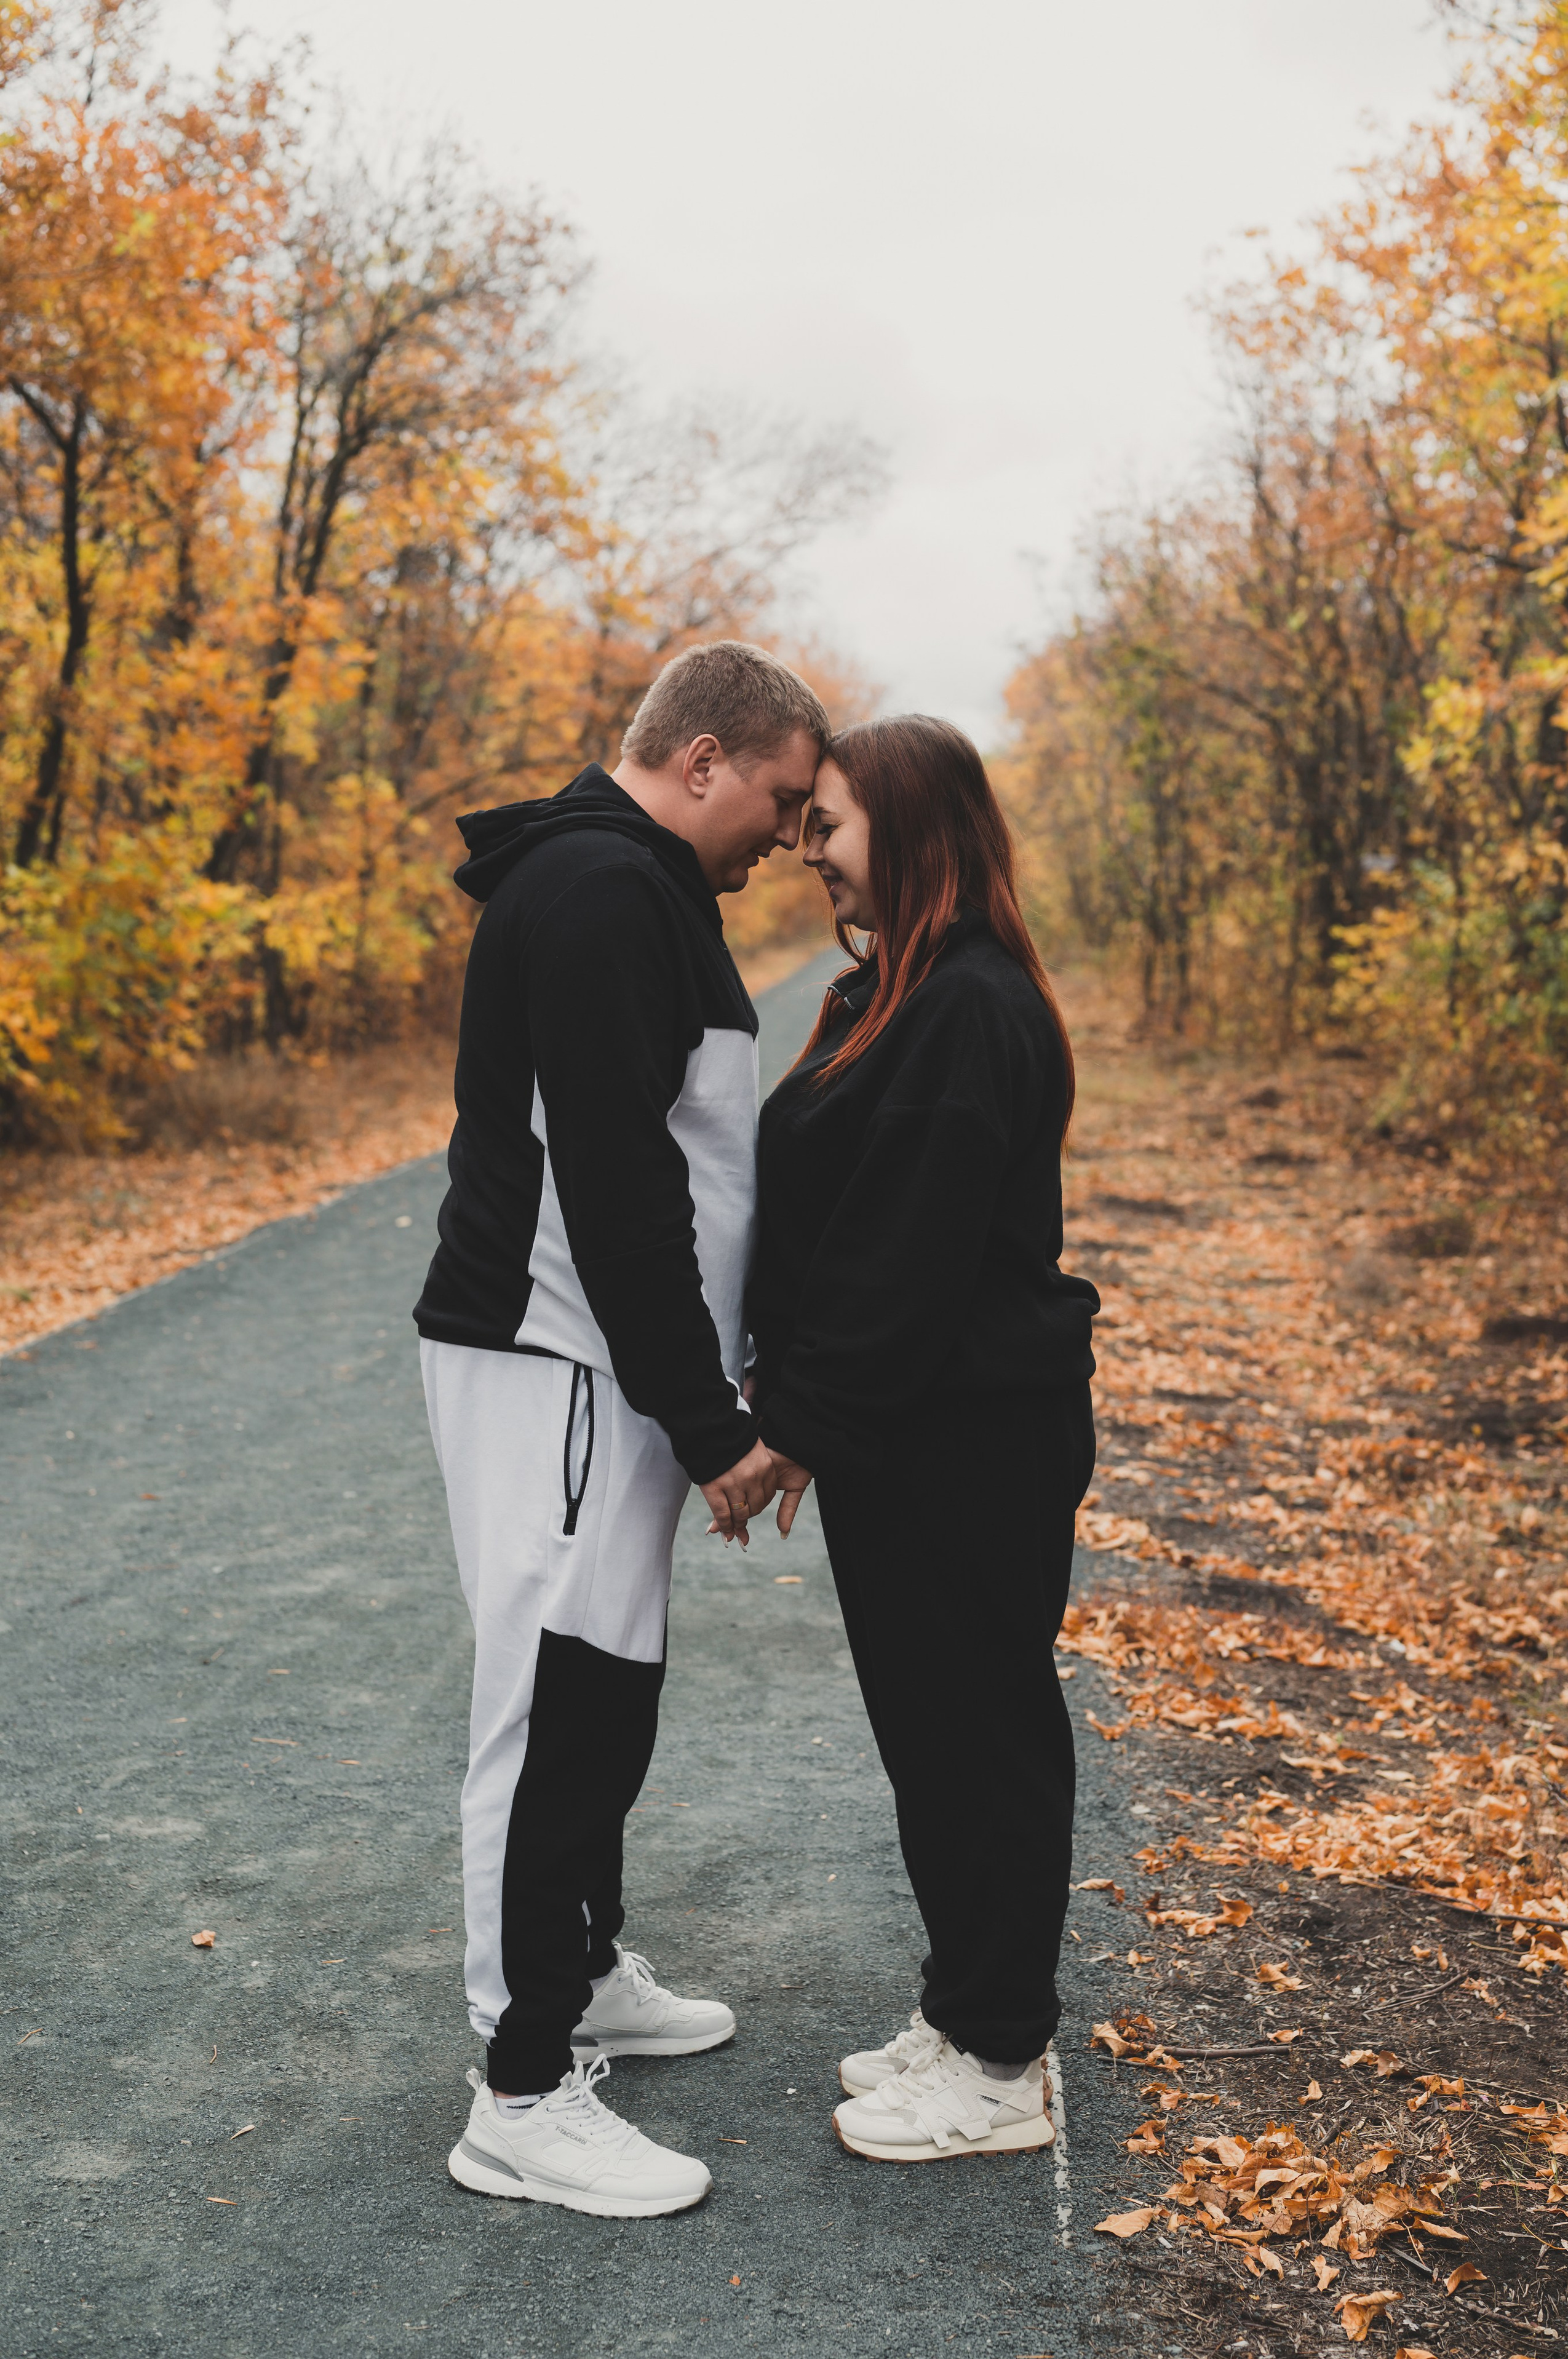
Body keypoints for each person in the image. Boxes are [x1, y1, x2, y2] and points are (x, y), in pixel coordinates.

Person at [413, 640, 826, 2215]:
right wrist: (705, 1414)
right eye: (781, 800)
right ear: (704, 756)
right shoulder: (597, 892)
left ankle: (575, 1974)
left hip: (604, 1372)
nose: (786, 837)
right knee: (553, 1706)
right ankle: (518, 2087)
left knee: (607, 1691)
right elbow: (612, 1186)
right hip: (557, 1360)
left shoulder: (645, 889)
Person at [746, 714, 1099, 2164]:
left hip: (968, 1435)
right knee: (931, 1733)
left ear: (908, 821)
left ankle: (1002, 2060)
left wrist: (792, 1425)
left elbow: (906, 1251)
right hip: (914, 1433)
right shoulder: (893, 992)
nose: (807, 851)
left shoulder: (966, 1005)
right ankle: (964, 2008)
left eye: (826, 822)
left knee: (980, 1735)